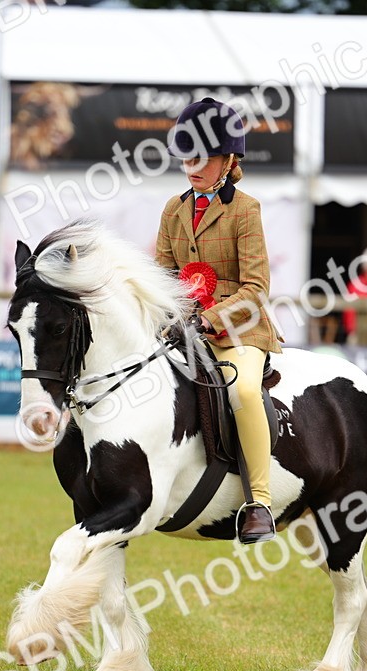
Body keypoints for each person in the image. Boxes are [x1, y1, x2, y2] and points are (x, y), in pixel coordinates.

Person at [155, 97, 280, 545]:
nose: (191, 167)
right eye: (186, 157)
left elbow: (257, 287)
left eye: (201, 159)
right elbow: (163, 278)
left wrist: (210, 321)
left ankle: (260, 502)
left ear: (228, 160)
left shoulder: (245, 210)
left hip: (238, 329)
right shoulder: (173, 209)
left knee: (244, 390)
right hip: (183, 330)